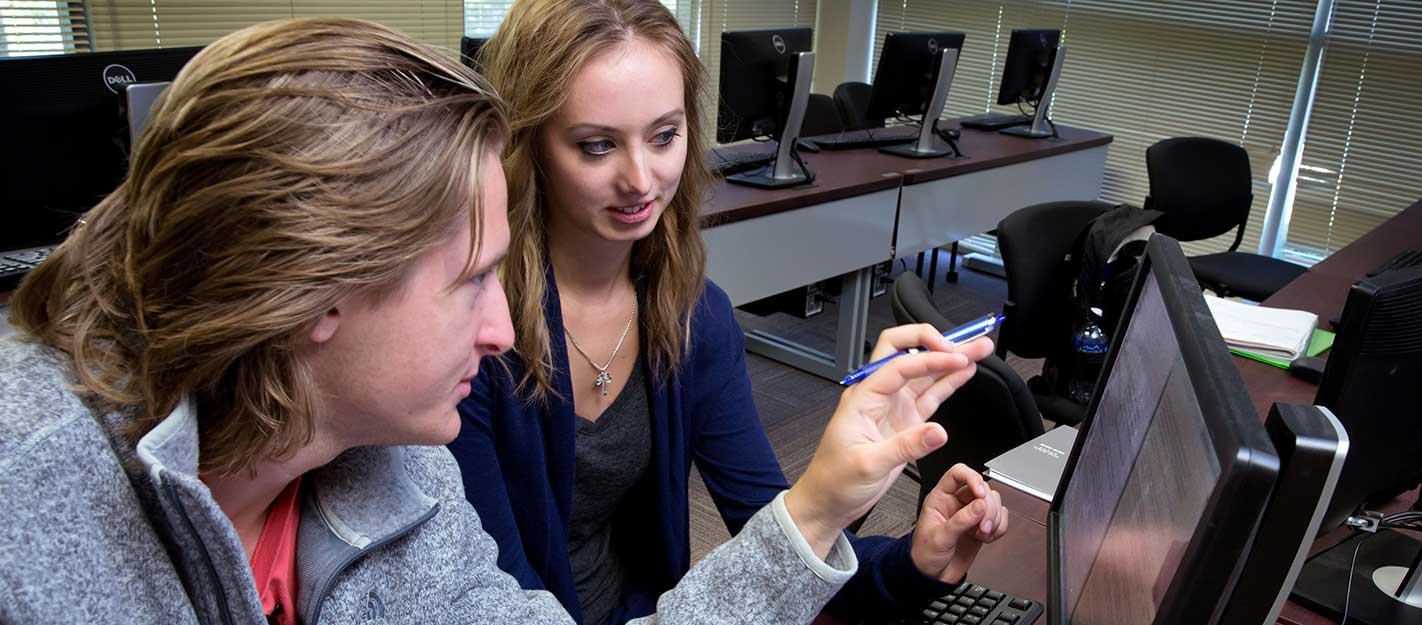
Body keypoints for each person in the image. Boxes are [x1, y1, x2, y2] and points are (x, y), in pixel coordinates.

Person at [0, 16, 1004, 625]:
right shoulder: (30, 512)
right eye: (472, 280)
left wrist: (839, 514)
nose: (498, 330)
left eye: (664, 136)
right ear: (309, 291)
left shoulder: (388, 459)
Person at [449, 2, 1008, 624]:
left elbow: (773, 542)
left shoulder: (691, 315)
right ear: (531, 147)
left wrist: (914, 560)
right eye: (597, 145)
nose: (641, 179)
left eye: (664, 136)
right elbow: (488, 598)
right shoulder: (468, 339)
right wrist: (817, 507)